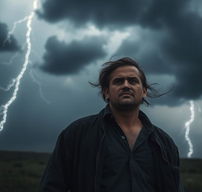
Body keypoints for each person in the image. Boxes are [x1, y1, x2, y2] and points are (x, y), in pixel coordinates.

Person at [40, 57, 184, 192]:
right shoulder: (77, 134)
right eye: (118, 81)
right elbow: (52, 186)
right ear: (106, 92)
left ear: (144, 91)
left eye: (133, 81)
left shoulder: (164, 143)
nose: (126, 85)